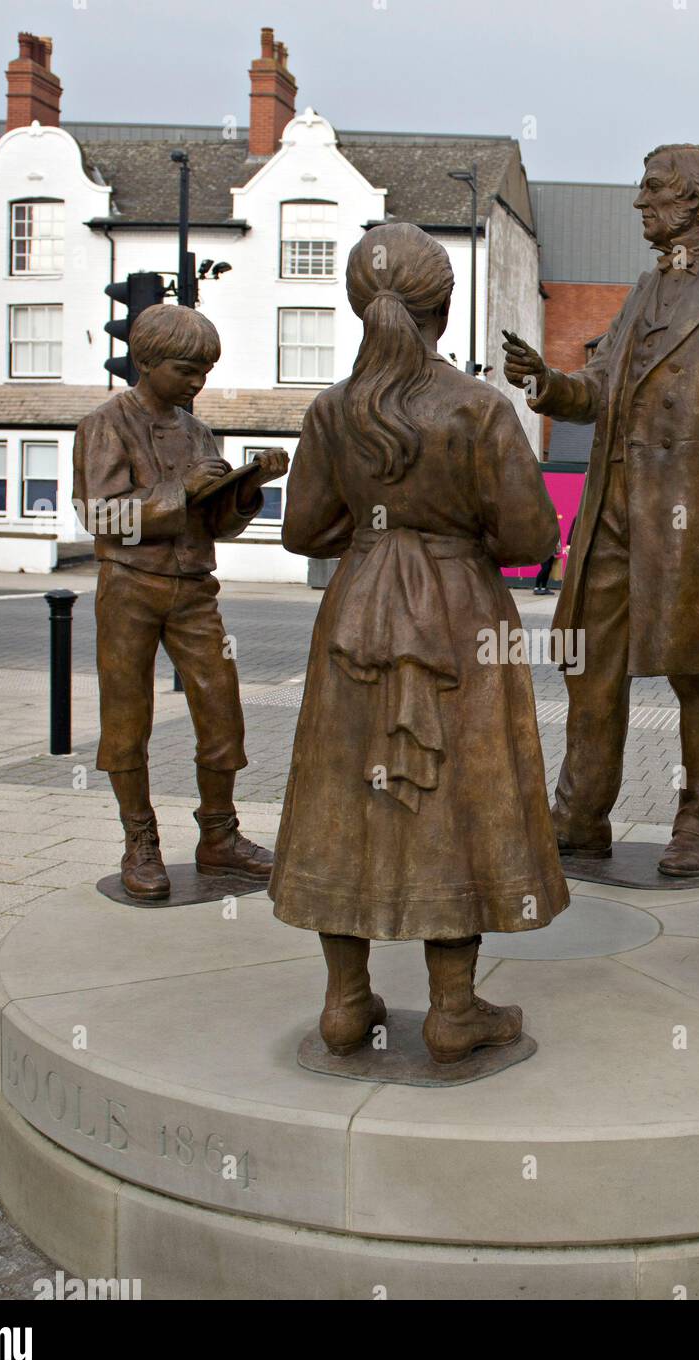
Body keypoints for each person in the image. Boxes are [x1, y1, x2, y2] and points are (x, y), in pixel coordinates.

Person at [270, 222, 569, 1066]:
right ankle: (452, 1008)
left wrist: (374, 528)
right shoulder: (478, 408)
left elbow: (301, 532)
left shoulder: (330, 410)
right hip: (457, 616)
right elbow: (525, 535)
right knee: (462, 792)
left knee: (345, 793)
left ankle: (344, 1001)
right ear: (442, 307)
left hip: (357, 613)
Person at [503, 143, 699, 878]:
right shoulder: (643, 288)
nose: (639, 203)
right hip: (615, 510)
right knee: (588, 662)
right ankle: (582, 813)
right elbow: (598, 388)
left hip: (698, 519)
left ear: (693, 201)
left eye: (653, 190)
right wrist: (549, 382)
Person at [72, 304, 289, 900]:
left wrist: (247, 487)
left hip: (195, 588)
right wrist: (177, 490)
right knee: (126, 716)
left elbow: (214, 523)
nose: (198, 382)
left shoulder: (197, 431)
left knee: (222, 707)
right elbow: (101, 515)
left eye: (206, 371)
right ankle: (139, 840)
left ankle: (218, 837)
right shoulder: (104, 425)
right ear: (146, 362)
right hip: (130, 585)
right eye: (187, 370)